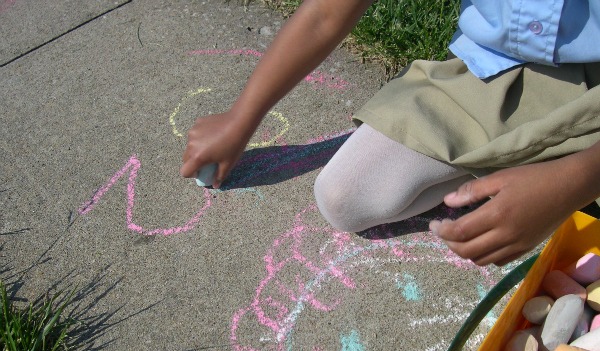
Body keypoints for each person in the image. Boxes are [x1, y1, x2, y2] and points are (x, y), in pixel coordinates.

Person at [180, 0, 600, 266]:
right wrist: (243, 115)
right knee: (344, 196)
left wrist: (574, 182)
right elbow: (327, 13)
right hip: (499, 69)